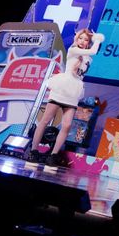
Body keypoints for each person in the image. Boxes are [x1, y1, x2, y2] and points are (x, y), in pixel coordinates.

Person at [26, 28, 105, 170]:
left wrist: (95, 40)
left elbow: (86, 63)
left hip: (73, 91)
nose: (83, 41)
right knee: (45, 120)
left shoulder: (88, 58)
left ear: (89, 42)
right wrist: (98, 39)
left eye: (86, 39)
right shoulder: (73, 50)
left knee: (67, 125)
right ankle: (33, 151)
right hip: (62, 88)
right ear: (77, 39)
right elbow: (93, 50)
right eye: (80, 38)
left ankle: (53, 156)